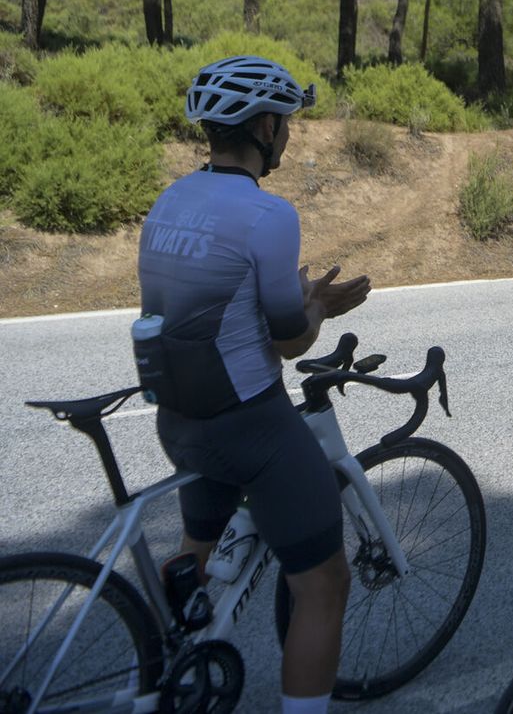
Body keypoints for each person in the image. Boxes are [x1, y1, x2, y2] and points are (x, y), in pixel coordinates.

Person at [139, 56, 370, 714]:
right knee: (324, 581)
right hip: (251, 426)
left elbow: (203, 317)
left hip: (180, 420)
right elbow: (289, 339)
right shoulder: (268, 215)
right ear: (266, 125)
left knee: (196, 552)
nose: (289, 134)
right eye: (288, 121)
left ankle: (165, 674)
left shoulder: (169, 200)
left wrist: (292, 299)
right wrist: (322, 305)